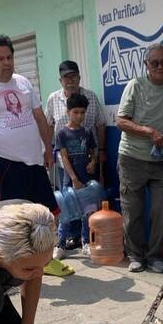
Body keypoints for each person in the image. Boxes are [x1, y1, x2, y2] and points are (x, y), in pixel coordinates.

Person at [0, 34, 66, 276]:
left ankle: (45, 260)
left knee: (47, 214)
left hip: (33, 162)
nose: (7, 63)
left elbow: (40, 118)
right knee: (5, 223)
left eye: (9, 57)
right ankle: (3, 268)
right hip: (4, 165)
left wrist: (48, 148)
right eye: (0, 58)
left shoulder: (23, 82)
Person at [115, 42, 163, 273]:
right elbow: (121, 121)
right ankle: (135, 255)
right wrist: (150, 131)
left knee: (161, 210)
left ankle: (156, 256)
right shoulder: (135, 86)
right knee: (133, 211)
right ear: (146, 64)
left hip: (161, 161)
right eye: (155, 62)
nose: (160, 66)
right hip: (131, 158)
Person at [44, 59, 106, 188]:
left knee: (92, 196)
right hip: (64, 164)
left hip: (89, 163)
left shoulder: (91, 97)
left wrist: (101, 152)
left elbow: (100, 125)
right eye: (66, 77)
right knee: (69, 198)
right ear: (60, 81)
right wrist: (47, 151)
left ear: (79, 78)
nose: (70, 80)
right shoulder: (53, 99)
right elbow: (48, 126)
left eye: (73, 76)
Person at [54, 93, 98, 258]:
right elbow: (64, 157)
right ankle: (60, 244)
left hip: (86, 182)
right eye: (76, 112)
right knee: (66, 213)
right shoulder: (62, 133)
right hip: (69, 181)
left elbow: (92, 152)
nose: (79, 116)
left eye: (82, 112)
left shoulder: (87, 132)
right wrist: (73, 178)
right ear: (68, 112)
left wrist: (93, 162)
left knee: (87, 213)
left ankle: (86, 242)